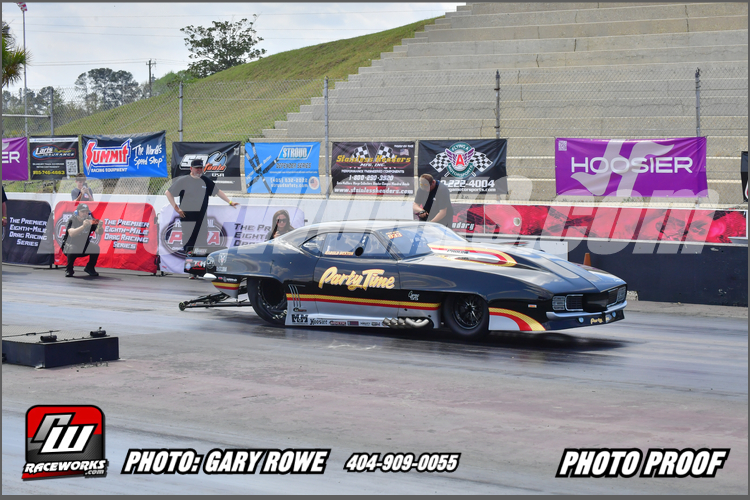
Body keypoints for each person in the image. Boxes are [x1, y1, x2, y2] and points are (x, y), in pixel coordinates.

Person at [165, 158, 238, 255]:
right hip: (188, 219)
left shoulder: (205, 180)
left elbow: (217, 191)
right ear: (191, 168)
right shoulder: (183, 180)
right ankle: (190, 263)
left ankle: (200, 263)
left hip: (202, 220)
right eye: (197, 168)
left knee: (202, 246)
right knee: (189, 245)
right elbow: (168, 193)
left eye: (201, 168)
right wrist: (176, 208)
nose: (199, 170)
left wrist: (230, 202)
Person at [62, 204, 104, 277]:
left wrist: (100, 226)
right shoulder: (72, 220)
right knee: (73, 248)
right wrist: (83, 226)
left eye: (87, 212)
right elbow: (72, 233)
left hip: (83, 245)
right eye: (83, 212)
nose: (85, 213)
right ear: (77, 212)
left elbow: (99, 232)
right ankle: (69, 269)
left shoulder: (90, 219)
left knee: (95, 247)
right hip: (69, 245)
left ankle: (90, 267)